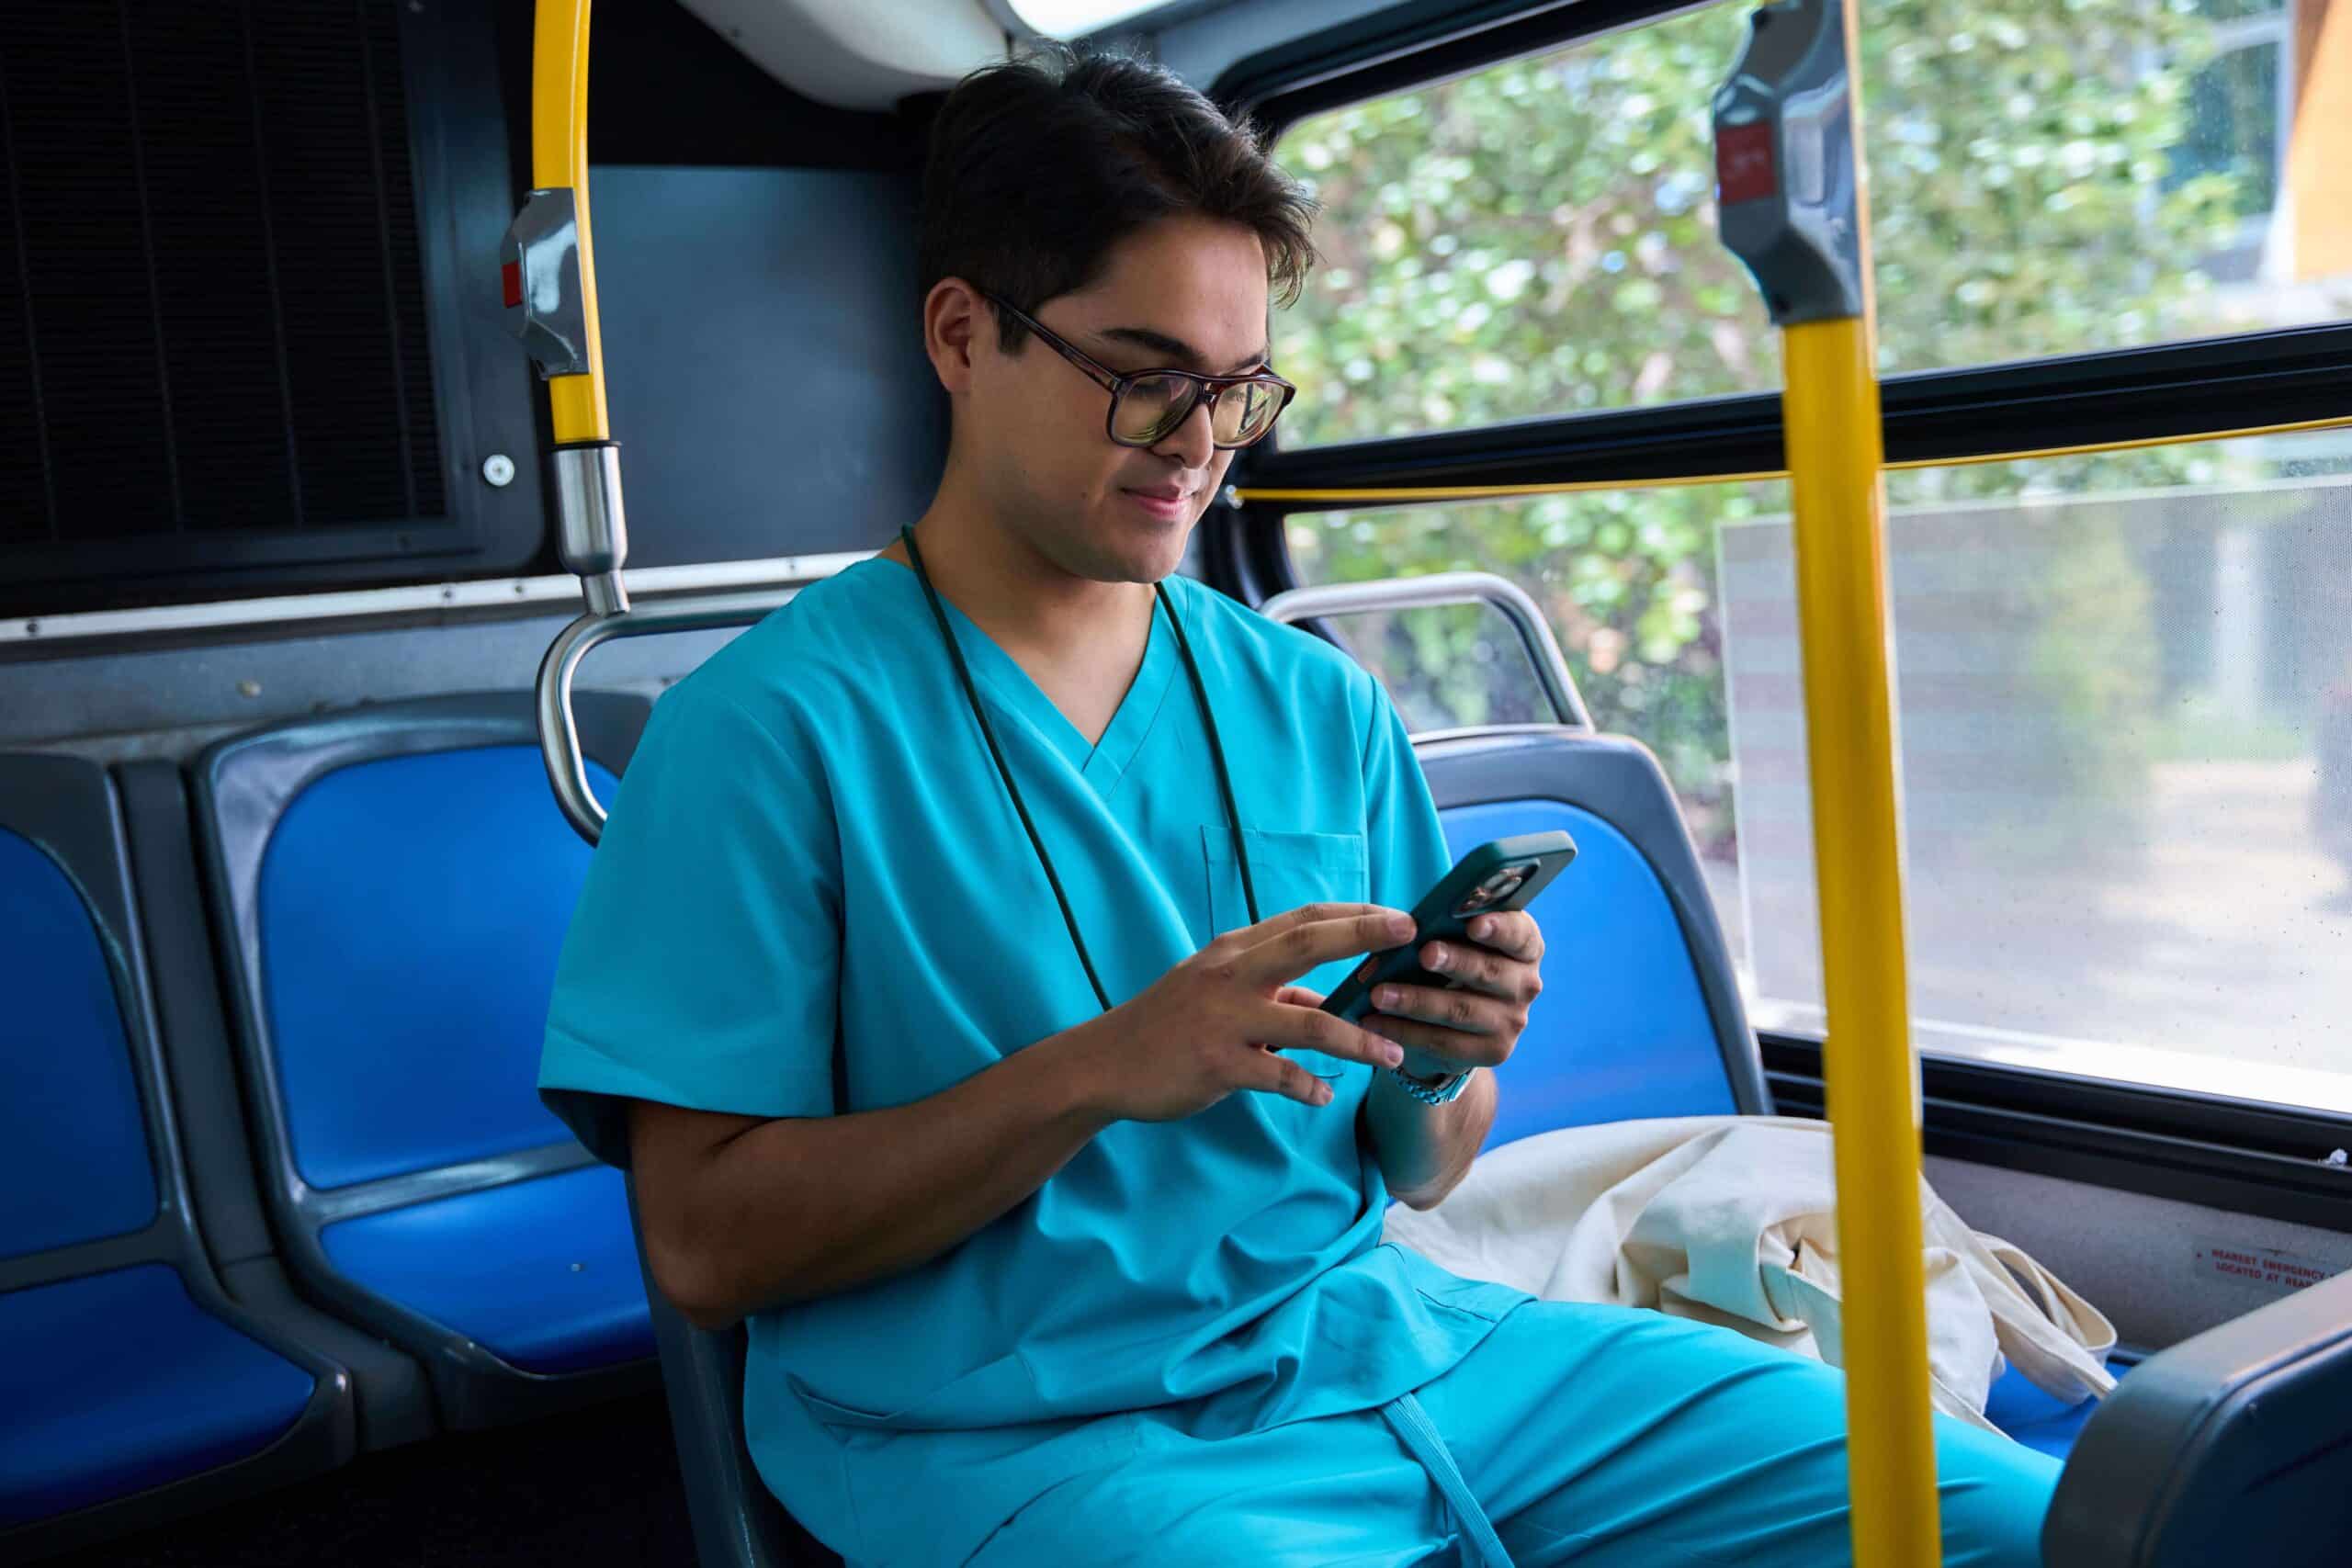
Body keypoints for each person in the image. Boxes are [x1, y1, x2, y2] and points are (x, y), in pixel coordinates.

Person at [539, 46, 2058, 1567]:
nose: (1199, 439)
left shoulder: (1311, 700)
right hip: (1020, 1433)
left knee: (2004, 1521)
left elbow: (1427, 1161)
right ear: (960, 335)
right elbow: (705, 1245)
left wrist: (1438, 1053)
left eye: (1236, 387)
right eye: (1142, 376)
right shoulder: (763, 735)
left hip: (1397, 1346)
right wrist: (1099, 1071)